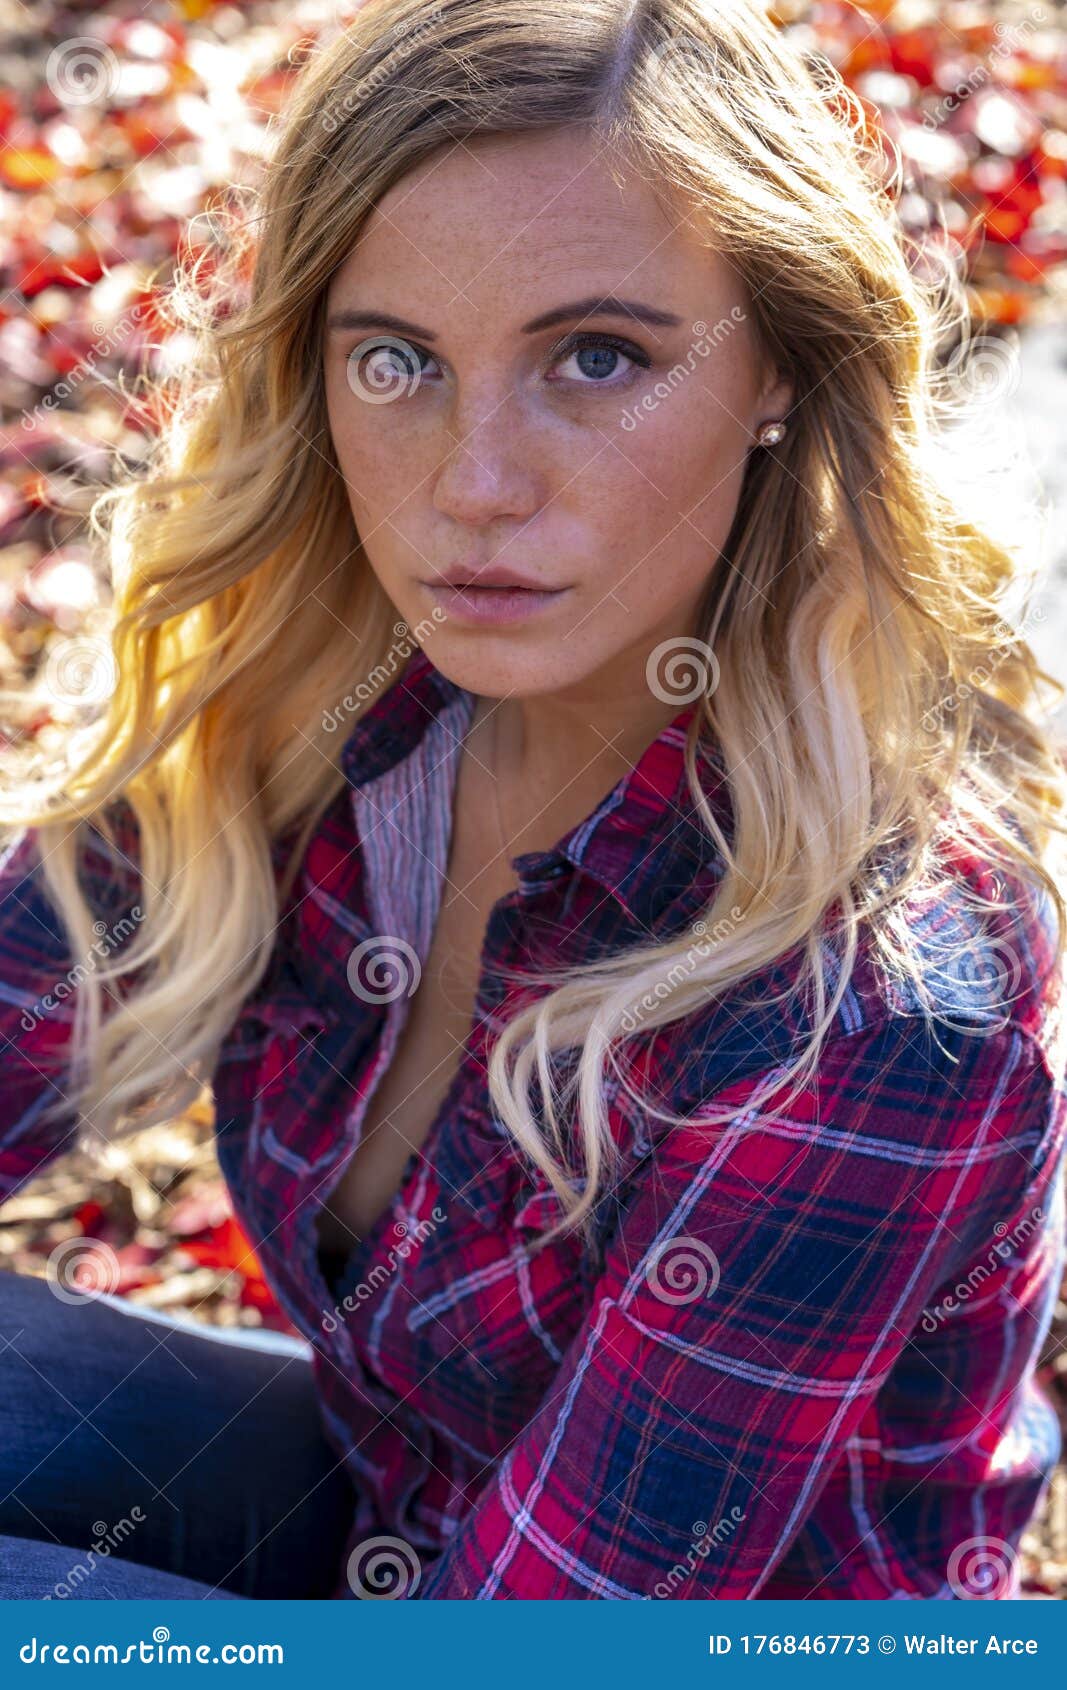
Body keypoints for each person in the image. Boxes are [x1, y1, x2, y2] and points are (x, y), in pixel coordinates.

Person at [1, 0, 1065, 1601]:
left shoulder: (888, 1011)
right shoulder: (335, 713)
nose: (474, 482)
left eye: (599, 357)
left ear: (779, 367)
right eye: (398, 359)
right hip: (398, 1497)